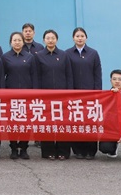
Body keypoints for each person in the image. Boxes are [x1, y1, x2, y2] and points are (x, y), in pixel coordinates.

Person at [35, 29, 73, 160]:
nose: (50, 40)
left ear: (56, 40)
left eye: (53, 38)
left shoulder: (64, 55)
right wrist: (38, 94)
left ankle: (63, 151)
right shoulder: (38, 56)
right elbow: (36, 76)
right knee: (47, 123)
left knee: (63, 123)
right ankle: (48, 151)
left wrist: (69, 93)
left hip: (62, 95)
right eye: (48, 38)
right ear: (43, 40)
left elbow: (69, 75)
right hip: (45, 96)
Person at [65, 27, 102, 160]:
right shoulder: (67, 53)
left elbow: (97, 74)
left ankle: (90, 150)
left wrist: (97, 92)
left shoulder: (93, 53)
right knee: (75, 121)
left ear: (86, 37)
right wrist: (69, 92)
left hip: (90, 93)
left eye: (82, 36)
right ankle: (78, 150)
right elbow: (67, 74)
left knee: (90, 121)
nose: (80, 38)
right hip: (74, 93)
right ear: (73, 38)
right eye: (77, 36)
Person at [2, 31, 37, 160]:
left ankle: (23, 148)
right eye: (14, 40)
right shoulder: (5, 57)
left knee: (26, 122)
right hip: (10, 95)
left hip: (26, 95)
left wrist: (34, 93)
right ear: (10, 42)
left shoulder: (30, 57)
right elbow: (2, 76)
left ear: (23, 42)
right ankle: (13, 147)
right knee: (12, 122)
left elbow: (34, 76)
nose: (17, 42)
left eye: (19, 40)